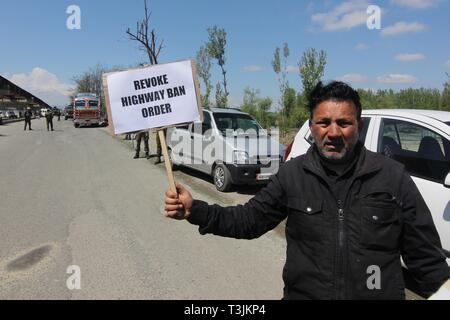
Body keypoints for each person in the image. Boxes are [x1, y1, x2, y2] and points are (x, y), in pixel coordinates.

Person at [164, 81, 450, 300]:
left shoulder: (392, 177)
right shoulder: (292, 174)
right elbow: (248, 220)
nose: (333, 132)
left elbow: (427, 262)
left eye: (344, 123)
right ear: (312, 126)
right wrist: (194, 209)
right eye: (324, 122)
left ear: (358, 127)